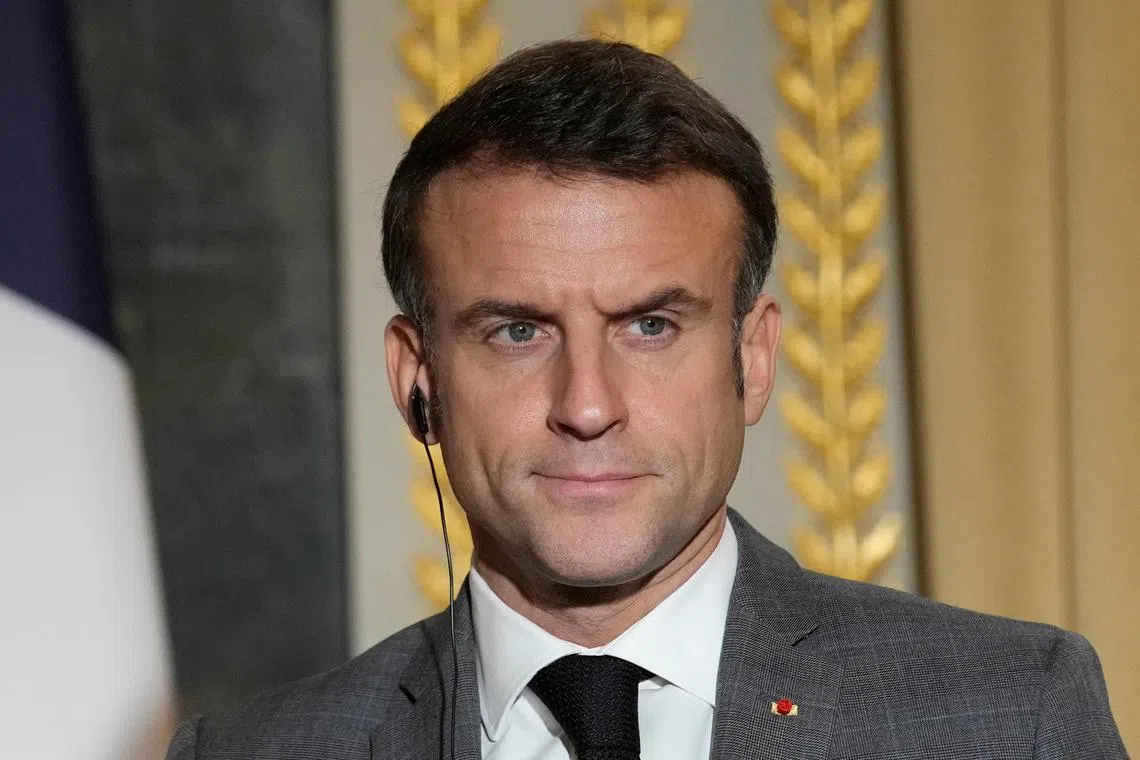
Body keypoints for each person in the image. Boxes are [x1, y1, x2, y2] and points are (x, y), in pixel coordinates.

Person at [166, 39, 1127, 760]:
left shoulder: (1009, 714)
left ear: (752, 359)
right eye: (518, 331)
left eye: (651, 327)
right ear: (419, 380)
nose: (587, 406)